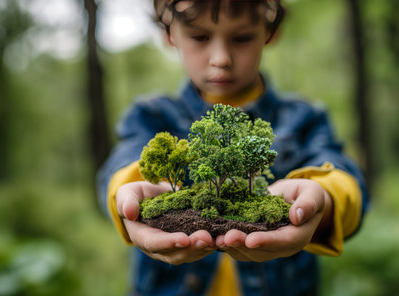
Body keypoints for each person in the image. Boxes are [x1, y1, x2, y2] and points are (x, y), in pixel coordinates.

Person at [97, 0, 369, 295]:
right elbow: (123, 165)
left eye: (241, 38)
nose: (221, 58)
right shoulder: (151, 117)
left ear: (269, 33)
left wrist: (323, 200)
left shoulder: (305, 118)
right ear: (170, 35)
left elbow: (343, 176)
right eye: (200, 37)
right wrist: (135, 194)